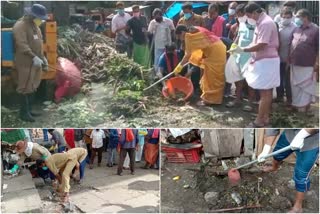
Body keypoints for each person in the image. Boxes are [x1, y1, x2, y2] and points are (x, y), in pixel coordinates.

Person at [229, 2, 280, 127]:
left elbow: (262, 44)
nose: (249, 19)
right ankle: (265, 118)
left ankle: (259, 121)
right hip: (262, 60)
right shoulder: (260, 22)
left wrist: (243, 49)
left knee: (265, 93)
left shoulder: (266, 23)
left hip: (267, 61)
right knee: (265, 92)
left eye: (249, 15)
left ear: (255, 12)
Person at [258, 129, 319, 213]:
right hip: (289, 134)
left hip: (311, 143)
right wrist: (266, 148)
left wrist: (301, 135)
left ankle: (298, 207)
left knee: (301, 175)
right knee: (277, 154)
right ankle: (274, 166)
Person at [12, 4, 49, 122]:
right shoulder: (20, 26)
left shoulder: (36, 27)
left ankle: (29, 110)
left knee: (33, 86)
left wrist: (43, 58)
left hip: (36, 61)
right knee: (24, 86)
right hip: (25, 61)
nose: (40, 20)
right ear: (31, 15)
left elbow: (39, 44)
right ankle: (23, 113)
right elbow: (22, 44)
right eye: (39, 17)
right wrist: (33, 57)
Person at [174, 25, 226, 106]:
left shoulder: (188, 36)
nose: (181, 39)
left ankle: (209, 100)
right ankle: (214, 99)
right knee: (213, 76)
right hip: (220, 47)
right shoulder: (195, 28)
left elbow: (187, 55)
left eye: (179, 37)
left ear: (182, 33)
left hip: (214, 52)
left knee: (211, 77)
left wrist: (179, 67)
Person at [225, 3, 256, 112]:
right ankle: (238, 99)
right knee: (238, 80)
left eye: (240, 14)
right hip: (239, 55)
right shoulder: (241, 24)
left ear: (246, 14)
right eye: (237, 15)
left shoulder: (255, 24)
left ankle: (251, 103)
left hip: (251, 56)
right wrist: (233, 46)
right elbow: (239, 36)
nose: (238, 17)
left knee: (250, 81)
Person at [288, 9, 319, 113]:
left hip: (308, 64)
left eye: (297, 16)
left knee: (306, 87)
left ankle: (304, 107)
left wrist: (317, 62)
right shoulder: (296, 29)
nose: (296, 18)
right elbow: (291, 44)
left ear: (305, 17)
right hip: (295, 62)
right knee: (295, 86)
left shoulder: (316, 30)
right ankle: (296, 104)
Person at [276, 8, 296, 104]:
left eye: (288, 17)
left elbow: (294, 44)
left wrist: (289, 58)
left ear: (292, 17)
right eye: (284, 17)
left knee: (288, 80)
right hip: (276, 57)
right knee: (278, 78)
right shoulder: (277, 26)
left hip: (288, 58)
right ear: (281, 17)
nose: (286, 19)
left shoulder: (294, 27)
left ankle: (289, 99)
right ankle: (279, 97)